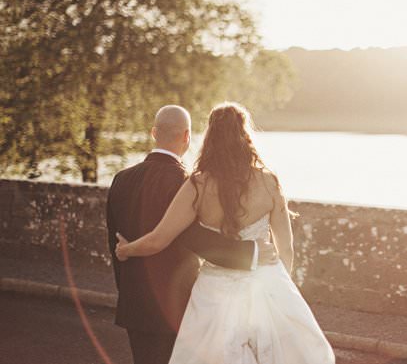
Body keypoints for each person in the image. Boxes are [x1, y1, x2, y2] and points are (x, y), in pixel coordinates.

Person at [115, 102, 335, 364]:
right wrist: (279, 291)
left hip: (214, 291)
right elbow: (286, 248)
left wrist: (126, 249)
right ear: (245, 136)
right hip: (265, 284)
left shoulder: (197, 184)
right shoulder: (269, 182)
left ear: (210, 137)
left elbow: (159, 239)